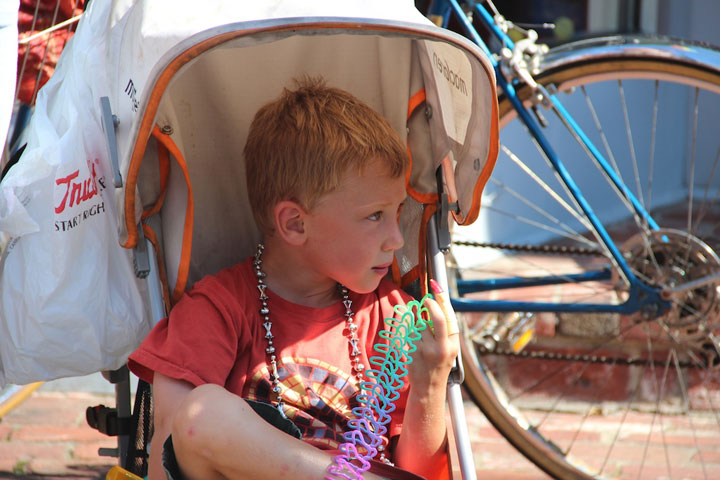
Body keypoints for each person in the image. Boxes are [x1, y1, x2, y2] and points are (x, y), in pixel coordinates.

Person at [128, 76, 459, 480]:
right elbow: (171, 448)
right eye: (375, 216)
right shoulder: (217, 309)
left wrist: (431, 376)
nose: (396, 238)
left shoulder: (393, 317)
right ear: (295, 224)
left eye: (398, 212)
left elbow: (426, 473)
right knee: (201, 411)